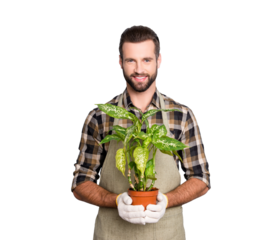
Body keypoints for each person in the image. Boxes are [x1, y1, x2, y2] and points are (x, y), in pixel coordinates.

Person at [70, 23, 211, 240]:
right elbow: (80, 184)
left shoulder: (182, 115)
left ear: (159, 61)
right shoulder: (99, 116)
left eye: (146, 60)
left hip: (167, 235)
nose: (139, 69)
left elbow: (201, 180)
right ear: (120, 62)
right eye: (130, 60)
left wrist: (166, 200)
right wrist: (116, 201)